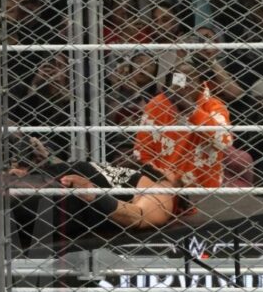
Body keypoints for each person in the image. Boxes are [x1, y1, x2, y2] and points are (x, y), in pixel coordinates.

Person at [58, 62, 232, 230]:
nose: (183, 87)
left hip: (204, 189)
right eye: (179, 82)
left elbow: (224, 141)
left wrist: (189, 109)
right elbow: (143, 152)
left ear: (201, 84)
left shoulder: (213, 106)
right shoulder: (158, 105)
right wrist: (161, 180)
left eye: (189, 82)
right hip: (163, 185)